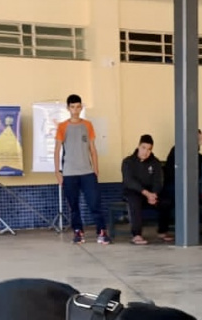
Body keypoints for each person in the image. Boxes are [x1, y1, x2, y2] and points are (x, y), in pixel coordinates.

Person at [55, 94, 109, 245]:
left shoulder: (88, 125)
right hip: (69, 173)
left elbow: (93, 149)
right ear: (68, 108)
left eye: (78, 106)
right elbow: (57, 150)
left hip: (87, 172)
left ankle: (102, 232)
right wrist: (57, 172)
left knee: (94, 203)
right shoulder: (62, 126)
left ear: (81, 107)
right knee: (74, 205)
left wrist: (96, 169)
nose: (75, 110)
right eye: (72, 107)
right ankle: (78, 231)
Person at [121, 134, 170, 244]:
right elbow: (129, 181)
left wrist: (154, 194)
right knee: (134, 201)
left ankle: (162, 231)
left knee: (166, 202)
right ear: (138, 146)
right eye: (143, 148)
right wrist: (146, 193)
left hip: (151, 194)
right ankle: (137, 234)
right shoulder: (128, 162)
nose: (145, 152)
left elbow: (158, 181)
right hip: (134, 192)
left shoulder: (155, 162)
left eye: (149, 149)